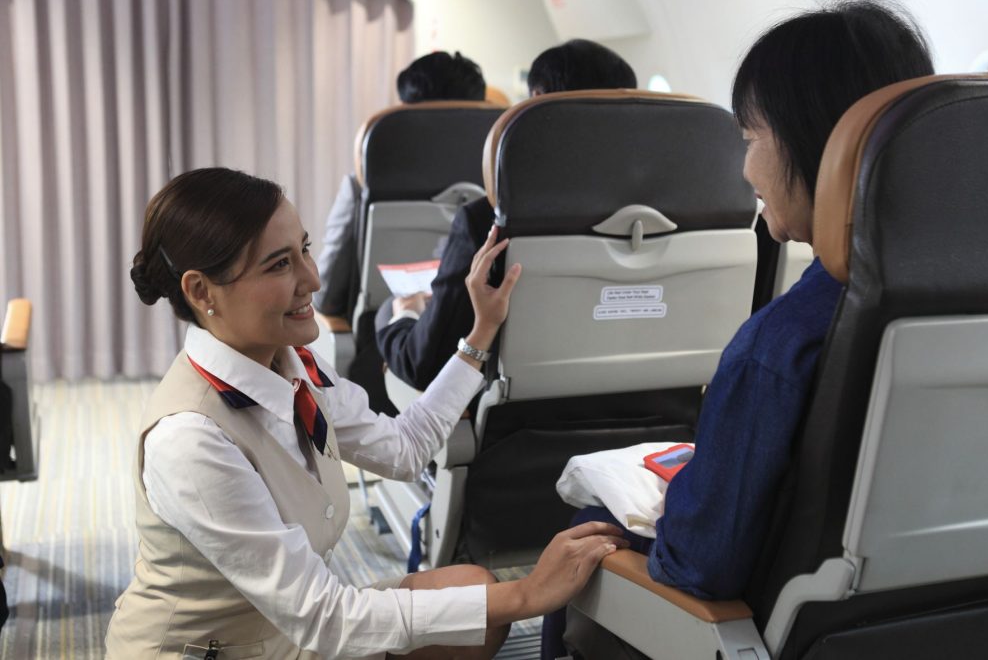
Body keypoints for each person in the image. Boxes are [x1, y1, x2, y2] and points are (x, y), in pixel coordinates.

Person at [543, 0, 934, 659]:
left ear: (816, 147)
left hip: (772, 630)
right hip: (955, 615)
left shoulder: (781, 346)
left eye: (752, 139)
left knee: (586, 533)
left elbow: (702, 563)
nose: (745, 170)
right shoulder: (976, 306)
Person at [107, 167, 628, 659]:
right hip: (219, 650)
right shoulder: (190, 438)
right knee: (493, 604)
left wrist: (480, 333)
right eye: (280, 264)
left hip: (291, 633)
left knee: (476, 600)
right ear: (201, 291)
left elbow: (404, 449)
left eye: (304, 250)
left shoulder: (293, 366)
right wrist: (529, 594)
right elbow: (324, 618)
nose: (312, 277)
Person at [377, 39, 637, 390]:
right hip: (655, 411)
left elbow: (425, 365)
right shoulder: (670, 217)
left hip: (514, 423)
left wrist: (403, 316)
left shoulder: (488, 221)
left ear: (535, 101)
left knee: (387, 314)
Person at [314, 51, 487, 322]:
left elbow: (327, 295)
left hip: (385, 332)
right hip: (488, 327)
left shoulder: (361, 186)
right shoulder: (510, 186)